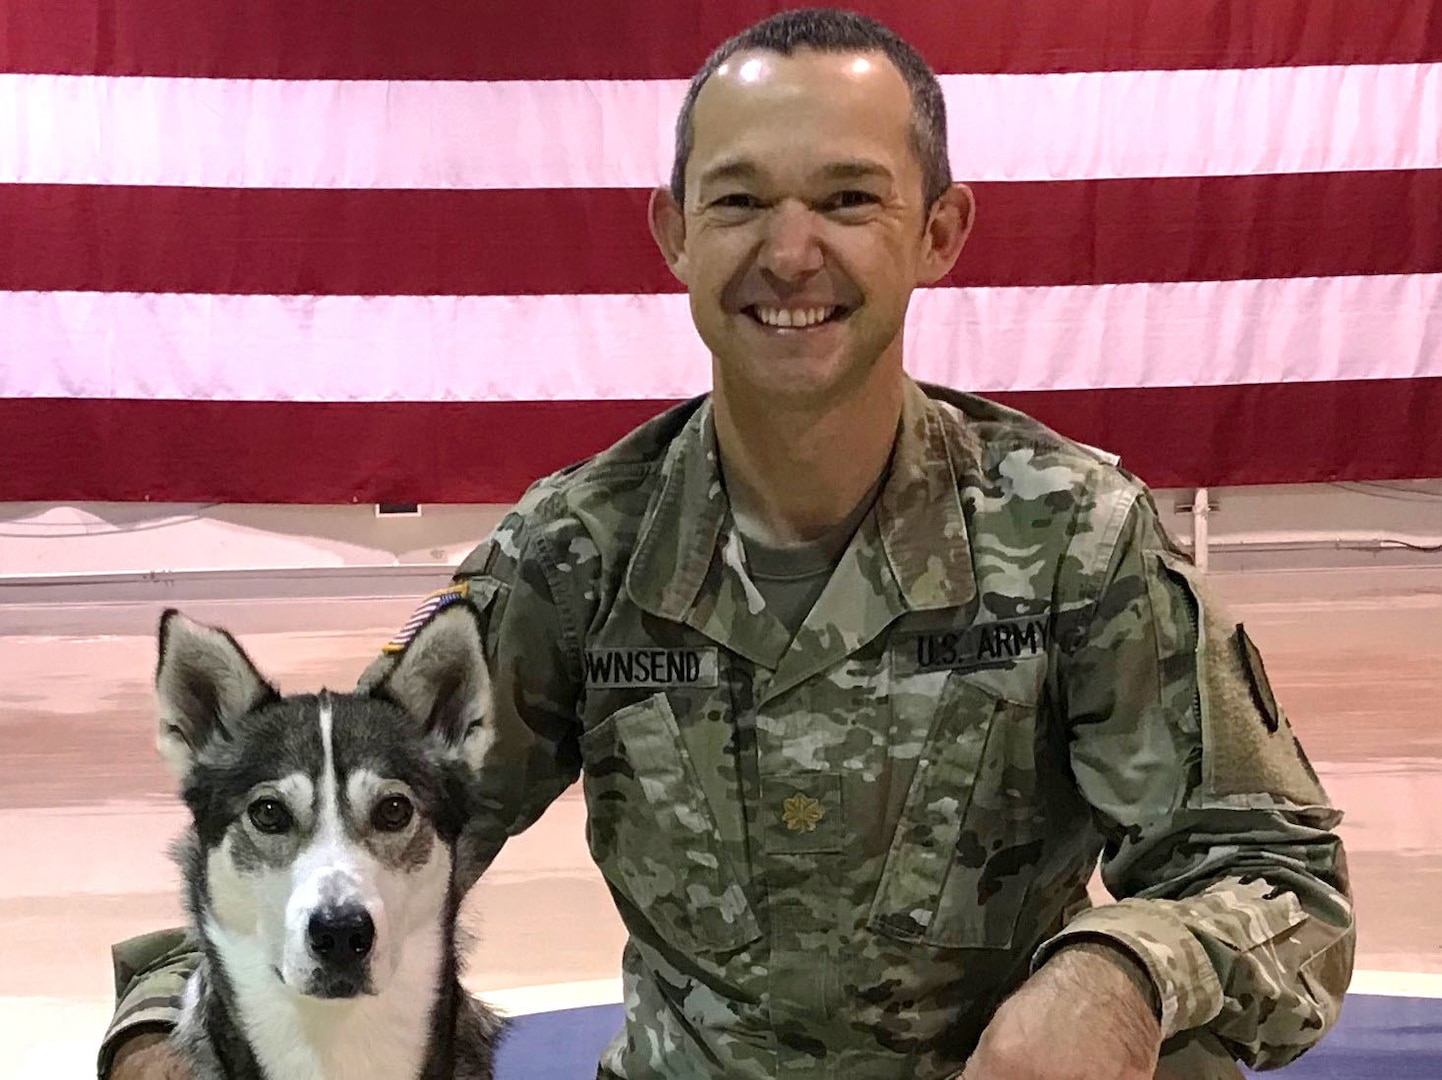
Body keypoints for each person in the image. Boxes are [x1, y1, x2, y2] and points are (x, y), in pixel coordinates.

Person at [102, 9, 1353, 1079]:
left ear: (938, 231)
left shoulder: (1073, 538)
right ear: (674, 235)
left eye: (849, 198)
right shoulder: (576, 557)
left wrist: (1122, 971)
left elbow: (1279, 882)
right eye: (740, 200)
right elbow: (341, 818)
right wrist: (161, 1029)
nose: (790, 250)